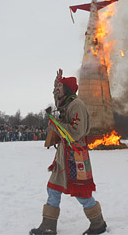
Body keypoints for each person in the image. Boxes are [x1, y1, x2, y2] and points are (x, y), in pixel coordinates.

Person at [30, 69, 107, 235]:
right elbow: (57, 98)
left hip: (75, 156)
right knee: (53, 188)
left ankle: (98, 223)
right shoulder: (65, 102)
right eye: (57, 86)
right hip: (63, 155)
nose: (57, 89)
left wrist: (55, 123)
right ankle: (49, 226)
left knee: (81, 193)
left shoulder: (76, 105)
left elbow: (75, 132)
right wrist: (55, 82)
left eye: (60, 86)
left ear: (68, 89)